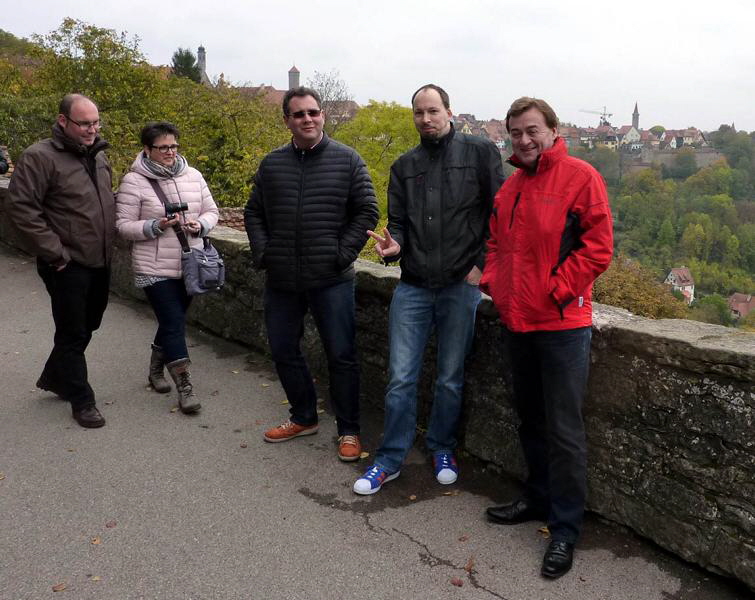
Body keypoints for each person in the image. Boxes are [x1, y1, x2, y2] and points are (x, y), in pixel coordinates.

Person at [479, 97, 613, 579]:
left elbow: (598, 249)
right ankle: (536, 500)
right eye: (516, 132)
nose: (523, 139)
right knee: (531, 421)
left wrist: (554, 292)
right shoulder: (511, 186)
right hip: (518, 323)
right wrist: (495, 282)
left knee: (565, 431)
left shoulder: (581, 177)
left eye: (532, 130)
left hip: (561, 326)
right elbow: (495, 242)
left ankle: (565, 529)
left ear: (553, 131)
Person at [353, 84, 504, 495]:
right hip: (415, 285)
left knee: (450, 378)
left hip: (461, 286)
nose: (426, 119)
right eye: (419, 113)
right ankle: (390, 459)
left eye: (433, 111)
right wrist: (393, 247)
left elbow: (500, 215)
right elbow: (398, 223)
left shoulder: (479, 153)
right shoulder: (405, 166)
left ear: (449, 112)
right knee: (401, 378)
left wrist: (481, 269)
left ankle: (442, 448)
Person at [244, 87, 378, 461]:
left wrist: (340, 254)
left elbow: (367, 211)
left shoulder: (347, 160)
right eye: (299, 114)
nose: (307, 119)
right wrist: (265, 252)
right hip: (283, 277)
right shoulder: (272, 164)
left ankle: (349, 430)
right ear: (287, 119)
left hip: (332, 278)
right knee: (284, 349)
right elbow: (254, 212)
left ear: (323, 116)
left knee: (342, 355)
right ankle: (303, 416)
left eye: (313, 112)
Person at [6, 94, 115, 428]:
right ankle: (82, 400)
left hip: (101, 258)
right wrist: (56, 254)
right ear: (63, 120)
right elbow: (22, 208)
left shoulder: (97, 155)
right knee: (71, 331)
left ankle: (56, 376)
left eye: (95, 122)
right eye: (84, 123)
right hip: (66, 262)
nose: (91, 129)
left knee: (89, 324)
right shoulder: (40, 156)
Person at [115, 121, 218, 414]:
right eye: (163, 148)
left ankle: (155, 369)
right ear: (147, 150)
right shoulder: (134, 182)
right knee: (174, 322)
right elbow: (122, 226)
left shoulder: (194, 175)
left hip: (190, 262)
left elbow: (212, 211)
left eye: (174, 146)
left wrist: (201, 224)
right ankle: (185, 387)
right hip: (154, 266)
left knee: (172, 321)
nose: (171, 152)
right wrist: (155, 226)